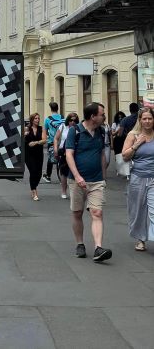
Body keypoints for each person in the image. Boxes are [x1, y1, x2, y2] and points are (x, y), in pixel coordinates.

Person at [65, 101, 112, 262]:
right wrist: (77, 176)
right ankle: (80, 243)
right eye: (102, 114)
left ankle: (98, 248)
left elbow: (102, 154)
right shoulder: (75, 131)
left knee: (97, 213)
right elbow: (69, 154)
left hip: (97, 180)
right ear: (93, 116)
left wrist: (104, 176)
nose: (104, 117)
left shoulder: (102, 131)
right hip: (76, 180)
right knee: (77, 213)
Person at [122, 107, 154, 252]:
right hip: (137, 178)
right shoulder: (133, 135)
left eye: (150, 118)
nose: (147, 121)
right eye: (144, 118)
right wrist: (136, 144)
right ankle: (140, 239)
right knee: (138, 211)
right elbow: (125, 156)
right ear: (140, 120)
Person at [54, 112, 79, 200]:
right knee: (64, 172)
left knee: (74, 171)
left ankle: (74, 191)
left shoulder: (78, 129)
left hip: (74, 152)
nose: (73, 122)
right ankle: (64, 191)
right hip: (63, 152)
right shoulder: (63, 127)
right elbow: (56, 138)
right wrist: (55, 149)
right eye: (71, 120)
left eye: (75, 120)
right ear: (68, 120)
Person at [24, 113, 45, 201]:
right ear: (32, 120)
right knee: (33, 171)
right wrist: (25, 135)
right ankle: (34, 191)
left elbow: (44, 140)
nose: (37, 120)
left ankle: (33, 186)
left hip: (39, 153)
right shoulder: (27, 128)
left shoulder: (41, 128)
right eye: (35, 118)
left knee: (39, 174)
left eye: (38, 118)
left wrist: (36, 142)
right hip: (29, 154)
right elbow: (22, 139)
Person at [42, 102, 63, 183]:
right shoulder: (63, 118)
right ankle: (61, 177)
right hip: (61, 142)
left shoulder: (48, 119)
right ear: (58, 108)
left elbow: (45, 131)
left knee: (51, 158)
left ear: (51, 109)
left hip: (52, 141)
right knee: (60, 159)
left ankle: (48, 176)